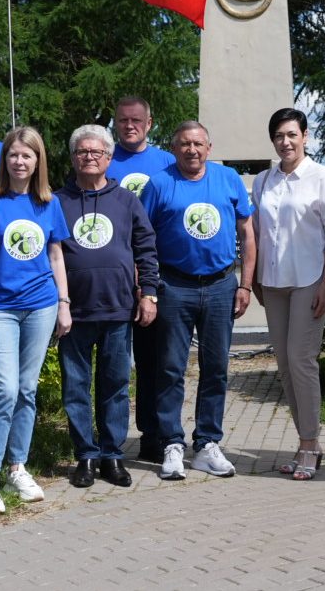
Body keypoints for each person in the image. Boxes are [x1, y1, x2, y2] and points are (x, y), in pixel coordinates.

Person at [138, 121, 256, 481]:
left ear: (209, 147)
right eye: (184, 144)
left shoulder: (229, 179)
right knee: (171, 368)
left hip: (221, 285)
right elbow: (142, 238)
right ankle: (171, 442)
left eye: (198, 144)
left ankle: (207, 444)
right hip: (174, 285)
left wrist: (246, 285)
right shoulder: (159, 184)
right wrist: (149, 289)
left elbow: (248, 234)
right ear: (174, 148)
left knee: (216, 368)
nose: (192, 150)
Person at [0, 126, 71, 516]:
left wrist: (63, 303)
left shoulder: (49, 203)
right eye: (14, 155)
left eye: (27, 155)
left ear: (38, 161)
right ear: (4, 159)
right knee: (5, 389)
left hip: (41, 304)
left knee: (26, 389)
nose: (20, 161)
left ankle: (17, 467)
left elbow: (56, 255)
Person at [55, 123, 160, 489]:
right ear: (73, 158)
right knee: (76, 387)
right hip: (74, 312)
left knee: (115, 385)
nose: (89, 157)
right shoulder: (57, 201)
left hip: (118, 310)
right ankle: (85, 455)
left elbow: (146, 248)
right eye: (82, 151)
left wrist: (149, 293)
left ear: (109, 158)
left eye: (96, 152)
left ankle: (112, 455)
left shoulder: (127, 201)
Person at [250, 107, 325, 481]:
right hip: (273, 283)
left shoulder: (322, 178)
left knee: (302, 361)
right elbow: (255, 230)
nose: (285, 142)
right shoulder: (263, 181)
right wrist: (253, 279)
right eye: (278, 136)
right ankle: (307, 441)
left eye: (292, 135)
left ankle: (309, 443)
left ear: (305, 136)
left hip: (309, 280)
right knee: (285, 366)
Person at [105, 94, 175, 459]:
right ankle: (108, 441)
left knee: (154, 363)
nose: (129, 126)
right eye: (122, 120)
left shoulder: (166, 163)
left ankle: (154, 435)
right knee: (114, 367)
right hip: (112, 281)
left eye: (136, 121)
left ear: (149, 123)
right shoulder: (103, 158)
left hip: (153, 278)